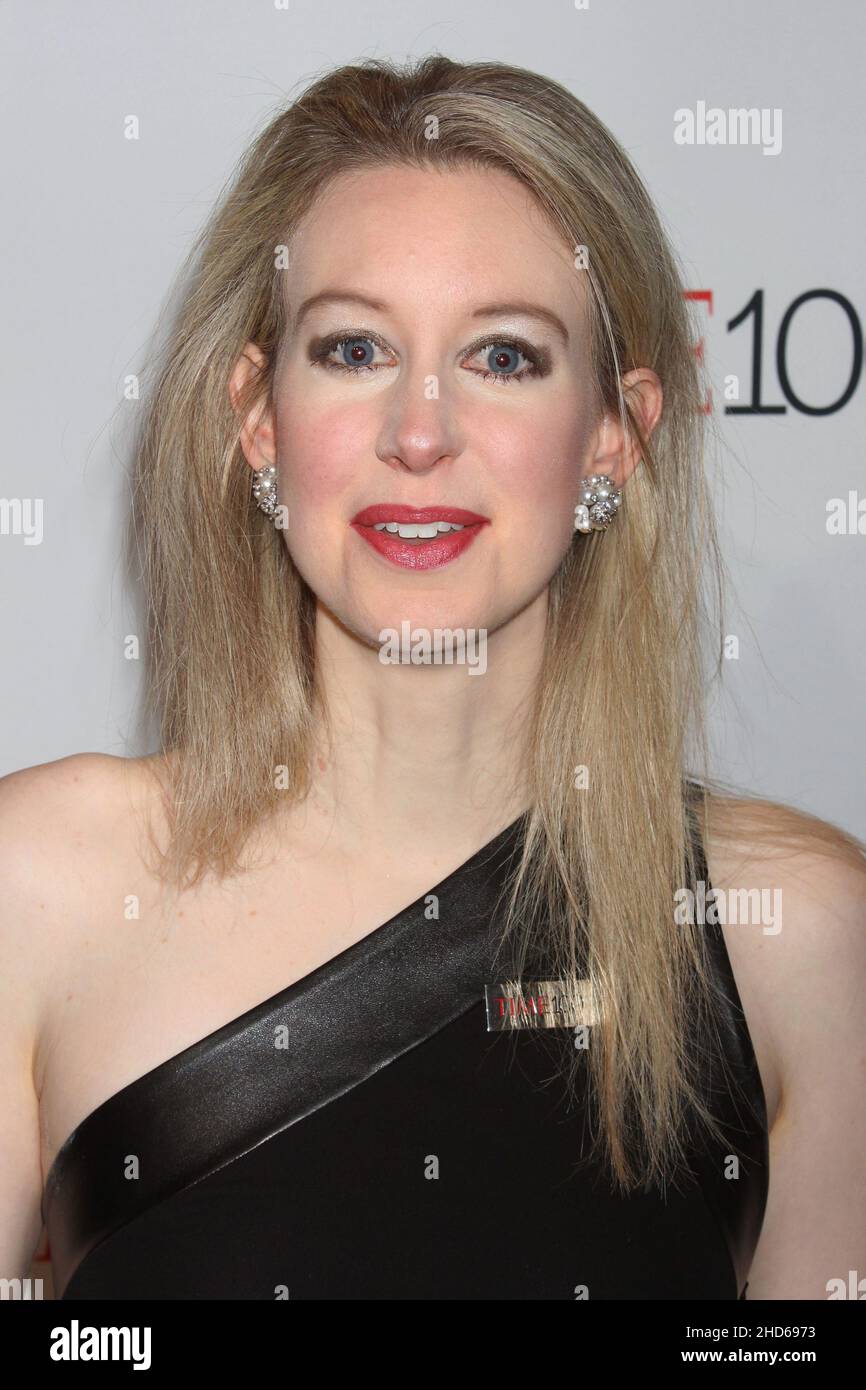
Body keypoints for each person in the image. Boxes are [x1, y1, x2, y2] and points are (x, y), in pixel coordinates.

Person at [2, 55, 864, 1302]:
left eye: (503, 358)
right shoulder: (47, 890)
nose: (418, 432)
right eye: (352, 347)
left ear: (614, 435)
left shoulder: (798, 940)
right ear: (259, 417)